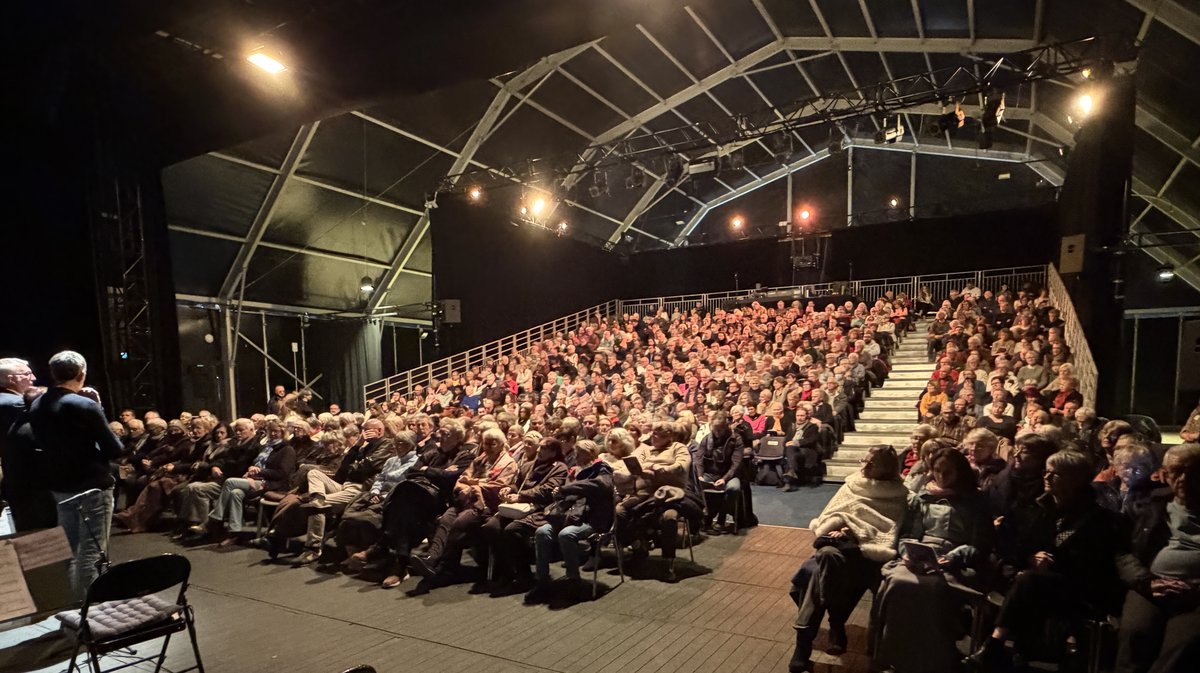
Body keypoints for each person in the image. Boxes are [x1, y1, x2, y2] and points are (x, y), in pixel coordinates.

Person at [966, 451, 1124, 670]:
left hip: (1077, 585)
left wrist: (1053, 563)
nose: (1047, 478)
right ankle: (1016, 651)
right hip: (1031, 576)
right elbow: (1007, 542)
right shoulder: (1035, 506)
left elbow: (1097, 564)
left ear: (1076, 480)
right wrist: (1029, 557)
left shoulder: (1100, 519)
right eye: (1046, 472)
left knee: (1028, 582)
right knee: (1020, 579)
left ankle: (994, 645)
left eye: (1056, 474)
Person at [788, 445, 909, 673]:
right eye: (864, 460)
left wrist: (856, 531)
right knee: (823, 562)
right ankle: (823, 634)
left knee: (821, 572)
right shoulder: (853, 484)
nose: (864, 466)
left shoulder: (898, 493)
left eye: (871, 463)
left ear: (885, 468)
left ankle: (813, 642)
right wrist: (841, 526)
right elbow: (833, 513)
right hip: (842, 552)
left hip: (874, 556)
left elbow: (890, 527)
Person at [870, 448, 991, 673]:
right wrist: (907, 552)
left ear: (960, 472)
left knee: (932, 588)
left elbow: (980, 545)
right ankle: (894, 654)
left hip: (955, 559)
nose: (942, 477)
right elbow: (909, 533)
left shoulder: (975, 501)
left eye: (948, 472)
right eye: (937, 471)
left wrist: (952, 558)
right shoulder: (923, 498)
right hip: (922, 554)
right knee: (897, 582)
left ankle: (932, 658)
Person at [27, 351, 124, 598]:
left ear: (53, 373)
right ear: (81, 374)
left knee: (69, 549)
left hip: (61, 486)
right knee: (92, 552)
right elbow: (114, 448)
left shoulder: (38, 404)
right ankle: (91, 610)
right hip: (92, 485)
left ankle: (72, 603)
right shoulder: (85, 404)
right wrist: (98, 410)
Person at [1114, 443, 1200, 673]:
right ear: (1164, 473)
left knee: (1182, 645)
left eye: (1191, 471)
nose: (1182, 479)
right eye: (1176, 471)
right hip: (1150, 585)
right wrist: (1146, 582)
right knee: (1135, 633)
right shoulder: (1149, 506)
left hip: (1195, 595)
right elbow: (1122, 552)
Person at [410, 427, 517, 587]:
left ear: (501, 444)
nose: (487, 447)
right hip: (465, 500)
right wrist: (468, 485)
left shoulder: (508, 463)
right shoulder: (481, 459)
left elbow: (499, 486)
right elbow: (463, 476)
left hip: (487, 506)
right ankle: (432, 559)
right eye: (485, 444)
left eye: (492, 444)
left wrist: (473, 485)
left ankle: (443, 567)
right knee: (446, 518)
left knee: (459, 522)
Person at [0, 357, 58, 531]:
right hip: (32, 482)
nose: (33, 378)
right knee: (42, 537)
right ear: (11, 379)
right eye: (26, 373)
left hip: (19, 481)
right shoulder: (13, 404)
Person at [696, 411, 744, 532]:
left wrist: (724, 479)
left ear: (725, 427)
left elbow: (736, 464)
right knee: (697, 485)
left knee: (733, 488)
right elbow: (698, 460)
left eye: (719, 430)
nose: (717, 433)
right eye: (714, 429)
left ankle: (721, 517)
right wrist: (700, 475)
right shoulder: (706, 439)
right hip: (710, 474)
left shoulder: (736, 439)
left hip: (729, 475)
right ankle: (706, 517)